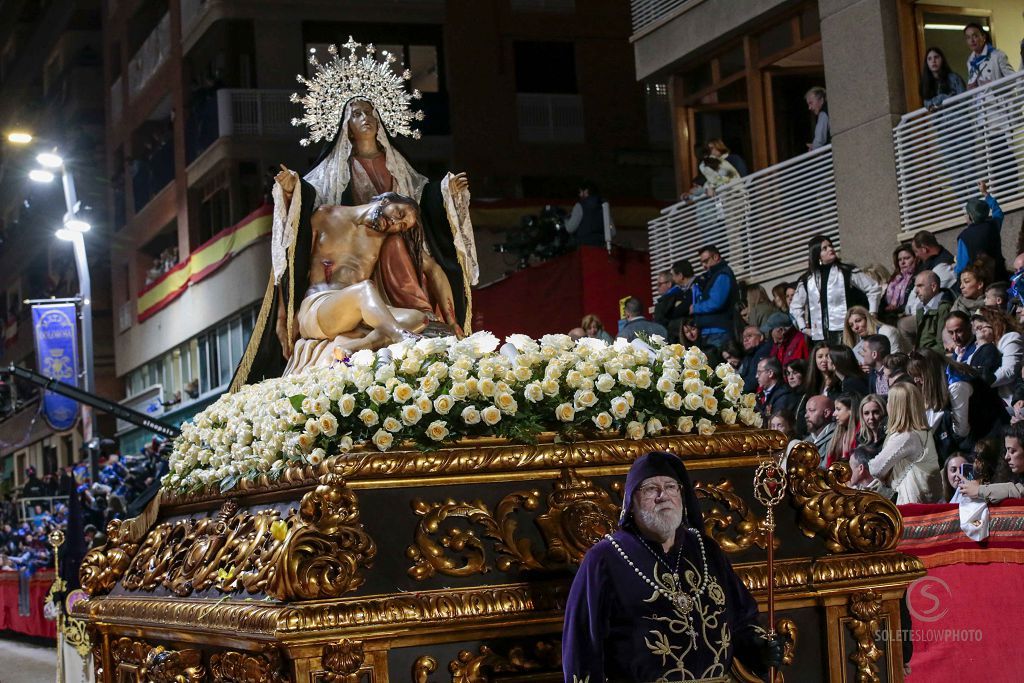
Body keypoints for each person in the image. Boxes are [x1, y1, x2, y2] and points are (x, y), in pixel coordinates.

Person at [233, 82, 478, 389]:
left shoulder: (386, 232)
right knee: (365, 291)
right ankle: (394, 336)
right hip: (324, 302)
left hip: (358, 310)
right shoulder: (325, 213)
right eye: (358, 113)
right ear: (385, 199)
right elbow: (291, 257)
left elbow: (429, 246)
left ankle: (354, 347)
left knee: (418, 317)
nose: (395, 225)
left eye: (402, 226)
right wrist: (291, 193)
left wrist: (454, 323)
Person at [562, 451, 783, 682]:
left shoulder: (706, 550)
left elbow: (740, 622)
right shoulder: (605, 559)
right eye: (650, 489)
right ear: (630, 501)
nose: (663, 496)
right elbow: (583, 649)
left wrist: (760, 649)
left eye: (670, 487)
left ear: (681, 495)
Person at [790, 235, 881, 345]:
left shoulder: (846, 271)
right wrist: (803, 327)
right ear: (817, 254)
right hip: (819, 336)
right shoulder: (807, 279)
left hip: (845, 332)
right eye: (825, 248)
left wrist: (872, 313)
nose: (830, 249)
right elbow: (795, 306)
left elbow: (873, 288)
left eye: (830, 246)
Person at [868, 383, 943, 504]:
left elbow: (875, 469)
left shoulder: (905, 437)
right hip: (926, 502)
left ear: (895, 406)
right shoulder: (923, 432)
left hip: (911, 507)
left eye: (889, 401)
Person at [958, 423, 1024, 503]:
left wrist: (980, 490)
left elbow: (1018, 490)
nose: (1007, 457)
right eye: (1006, 450)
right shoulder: (1008, 474)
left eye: (1012, 451)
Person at [957, 182, 1008, 283]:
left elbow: (961, 266)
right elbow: (998, 212)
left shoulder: (964, 237)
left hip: (980, 283)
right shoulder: (993, 225)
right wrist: (985, 193)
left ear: (970, 216)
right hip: (1000, 276)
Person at [691, 244, 739, 349]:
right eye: (702, 262)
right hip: (712, 331)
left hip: (719, 332)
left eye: (706, 261)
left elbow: (716, 302)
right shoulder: (714, 275)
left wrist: (695, 308)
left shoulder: (723, 274)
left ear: (716, 257)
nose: (704, 266)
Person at [972, 306, 1023, 400]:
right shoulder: (983, 342)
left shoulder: (1010, 338)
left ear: (993, 323)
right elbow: (970, 367)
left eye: (979, 327)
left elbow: (1009, 372)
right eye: (976, 330)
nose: (978, 333)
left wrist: (982, 383)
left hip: (1007, 400)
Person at [912, 270, 954, 352]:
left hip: (933, 358)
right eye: (915, 286)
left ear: (933, 286)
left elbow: (942, 344)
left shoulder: (943, 308)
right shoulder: (920, 308)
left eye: (920, 286)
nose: (916, 291)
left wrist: (921, 356)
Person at [964, 23, 1014, 90]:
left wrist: (994, 85)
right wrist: (971, 88)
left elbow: (1013, 80)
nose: (972, 40)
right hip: (981, 100)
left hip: (999, 99)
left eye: (975, 36)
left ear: (984, 37)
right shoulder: (970, 61)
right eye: (968, 37)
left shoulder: (998, 55)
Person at [566, 180, 613, 248]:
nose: (579, 195)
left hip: (583, 248)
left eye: (580, 192)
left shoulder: (580, 205)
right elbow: (612, 232)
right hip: (601, 247)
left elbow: (569, 229)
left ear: (586, 191)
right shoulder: (604, 205)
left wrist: (566, 220)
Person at [653, 263, 693, 338]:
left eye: (659, 284)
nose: (657, 287)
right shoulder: (683, 294)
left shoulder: (671, 299)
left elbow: (660, 323)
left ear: (669, 284)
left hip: (674, 338)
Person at [883, 244, 918, 318]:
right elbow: (883, 301)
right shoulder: (894, 279)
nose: (902, 262)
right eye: (900, 259)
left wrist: (897, 309)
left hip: (909, 316)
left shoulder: (918, 277)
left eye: (907, 258)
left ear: (915, 258)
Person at [825, 393, 860, 467]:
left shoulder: (861, 431)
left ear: (851, 410)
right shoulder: (838, 433)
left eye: (838, 409)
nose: (834, 414)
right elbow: (829, 464)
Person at [738, 325, 772, 393]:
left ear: (761, 337)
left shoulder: (763, 352)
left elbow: (753, 382)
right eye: (744, 337)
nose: (745, 340)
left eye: (749, 336)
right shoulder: (749, 354)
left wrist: (736, 389)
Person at [804, 395, 837, 463]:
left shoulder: (837, 438)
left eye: (811, 410)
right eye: (806, 411)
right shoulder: (805, 442)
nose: (806, 415)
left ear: (826, 413)